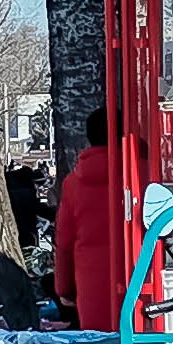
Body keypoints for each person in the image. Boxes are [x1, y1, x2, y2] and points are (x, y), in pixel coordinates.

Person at [51, 110, 122, 330]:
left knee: (97, 341)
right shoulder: (143, 171)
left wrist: (64, 288)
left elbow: (64, 241)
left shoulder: (73, 183)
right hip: (138, 274)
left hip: (91, 282)